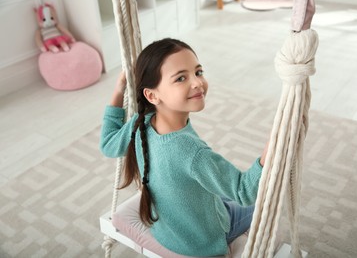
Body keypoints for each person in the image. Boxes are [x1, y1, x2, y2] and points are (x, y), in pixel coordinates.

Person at [100, 38, 269, 257]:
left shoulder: (140, 122)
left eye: (198, 72)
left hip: (165, 231)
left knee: (217, 188)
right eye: (181, 78)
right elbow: (245, 191)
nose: (197, 83)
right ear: (152, 95)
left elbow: (107, 145)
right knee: (262, 202)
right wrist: (273, 146)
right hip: (204, 242)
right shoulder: (192, 153)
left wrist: (118, 89)